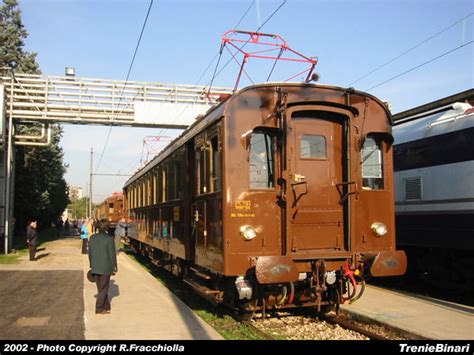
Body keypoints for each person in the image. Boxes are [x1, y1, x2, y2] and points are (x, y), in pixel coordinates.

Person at [88, 219, 118, 314]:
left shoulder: (92, 238)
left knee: (100, 288)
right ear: (107, 228)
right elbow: (112, 254)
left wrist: (92, 265)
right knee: (104, 289)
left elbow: (90, 253)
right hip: (106, 267)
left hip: (95, 266)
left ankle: (106, 306)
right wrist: (114, 266)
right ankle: (99, 308)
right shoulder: (109, 239)